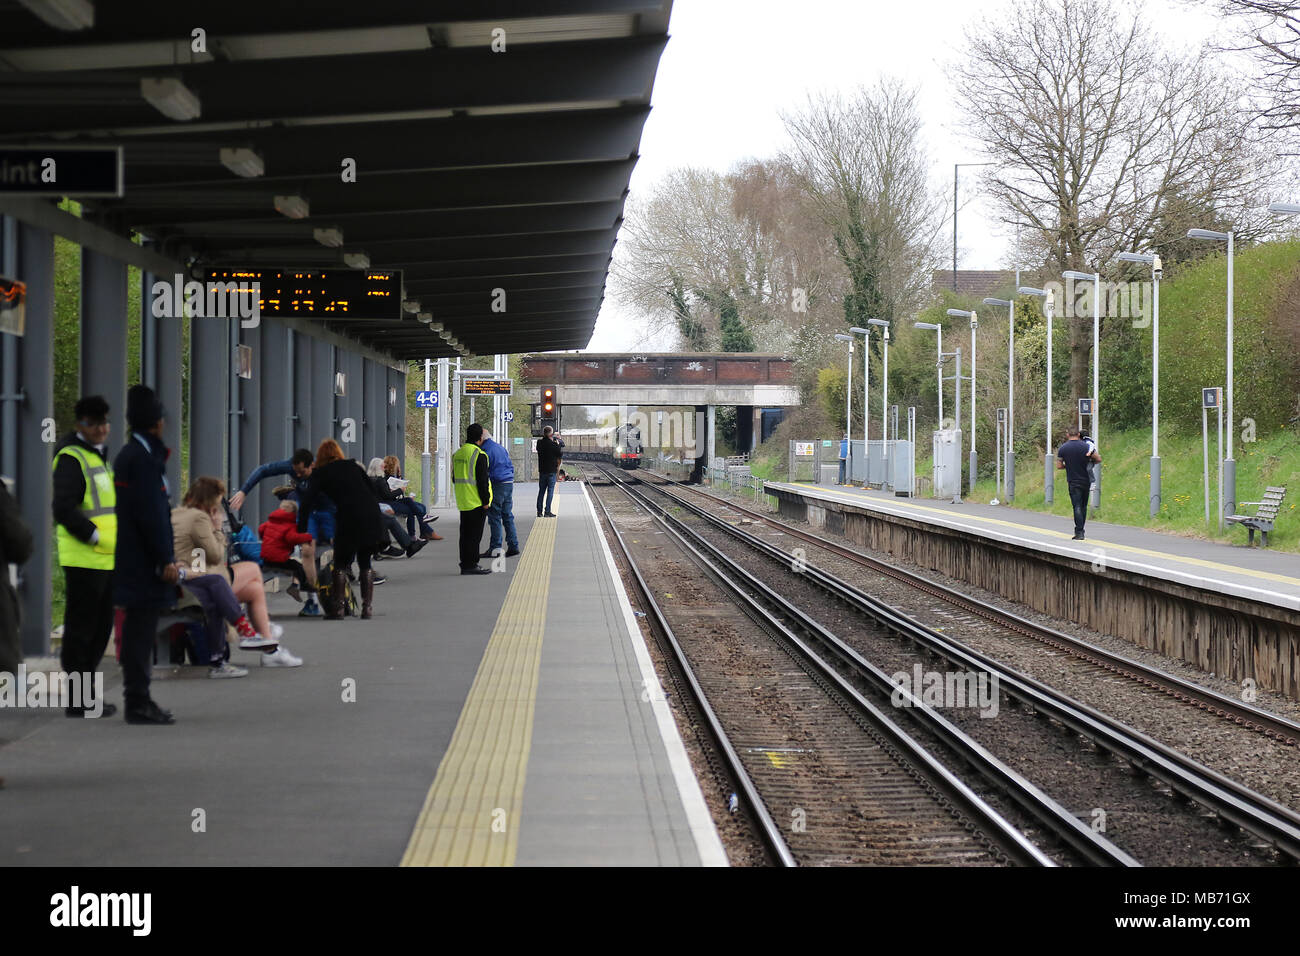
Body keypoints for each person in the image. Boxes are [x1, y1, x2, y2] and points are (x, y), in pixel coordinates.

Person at [173, 476, 301, 670]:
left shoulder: (178, 513)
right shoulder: (199, 518)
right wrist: (217, 529)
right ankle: (265, 636)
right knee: (252, 570)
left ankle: (268, 642)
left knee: (255, 588)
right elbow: (215, 554)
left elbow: (197, 553)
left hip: (194, 575)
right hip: (203, 580)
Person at [113, 385, 179, 724]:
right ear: (156, 423)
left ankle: (139, 697)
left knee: (140, 631)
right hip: (143, 563)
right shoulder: (142, 460)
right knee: (141, 632)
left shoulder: (132, 456)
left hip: (134, 559)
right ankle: (137, 701)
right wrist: (165, 559)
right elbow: (151, 514)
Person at [51, 395, 118, 717]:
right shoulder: (70, 458)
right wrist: (93, 536)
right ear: (82, 425)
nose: (104, 429)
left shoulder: (97, 456)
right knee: (81, 631)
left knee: (99, 629)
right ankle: (79, 700)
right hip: (83, 557)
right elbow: (63, 507)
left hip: (103, 558)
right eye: (97, 424)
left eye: (106, 422)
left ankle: (86, 694)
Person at [298, 439, 385, 618]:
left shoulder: (320, 473)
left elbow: (307, 502)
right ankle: (367, 608)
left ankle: (338, 608)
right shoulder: (355, 467)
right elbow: (372, 492)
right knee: (365, 561)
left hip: (349, 517)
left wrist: (301, 529)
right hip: (371, 515)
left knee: (341, 563)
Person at [258, 498, 325, 615]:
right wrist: (308, 537)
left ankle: (295, 587)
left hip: (266, 558)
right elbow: (291, 538)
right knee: (299, 567)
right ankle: (300, 586)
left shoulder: (270, 521)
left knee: (293, 564)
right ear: (293, 513)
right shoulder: (289, 524)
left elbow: (261, 529)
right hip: (279, 559)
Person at [453, 423, 493, 575]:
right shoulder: (479, 455)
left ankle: (465, 563)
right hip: (476, 501)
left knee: (464, 535)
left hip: (463, 500)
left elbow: (454, 477)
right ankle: (472, 564)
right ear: (480, 438)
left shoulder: (458, 453)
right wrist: (485, 501)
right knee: (475, 536)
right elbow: (483, 481)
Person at [1057, 426, 1101, 541]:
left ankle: (1079, 532)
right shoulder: (1086, 446)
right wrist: (1090, 462)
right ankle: (1081, 530)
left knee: (1076, 506)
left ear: (1068, 435)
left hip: (1072, 480)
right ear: (1078, 434)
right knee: (1083, 506)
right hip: (1085, 480)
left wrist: (1069, 465)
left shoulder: (1063, 448)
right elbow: (1098, 459)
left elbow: (1059, 466)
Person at [481, 429, 519, 559]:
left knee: (494, 515)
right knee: (507, 515)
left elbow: (484, 471)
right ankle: (513, 545)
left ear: (481, 438)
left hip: (496, 484)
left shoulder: (484, 451)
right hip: (508, 482)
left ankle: (495, 548)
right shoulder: (500, 448)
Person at [383, 454, 441, 541]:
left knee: (421, 506)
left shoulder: (394, 476)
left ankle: (424, 532)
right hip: (390, 502)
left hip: (396, 500)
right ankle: (421, 531)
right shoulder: (385, 478)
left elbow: (398, 493)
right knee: (411, 509)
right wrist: (400, 490)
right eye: (396, 466)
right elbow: (389, 495)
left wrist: (399, 476)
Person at [536, 425, 562, 517]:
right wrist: (557, 444)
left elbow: (539, 448)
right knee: (550, 491)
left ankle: (539, 512)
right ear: (551, 434)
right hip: (551, 471)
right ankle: (547, 511)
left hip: (542, 471)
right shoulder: (554, 444)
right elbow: (559, 454)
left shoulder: (539, 443)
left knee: (541, 491)